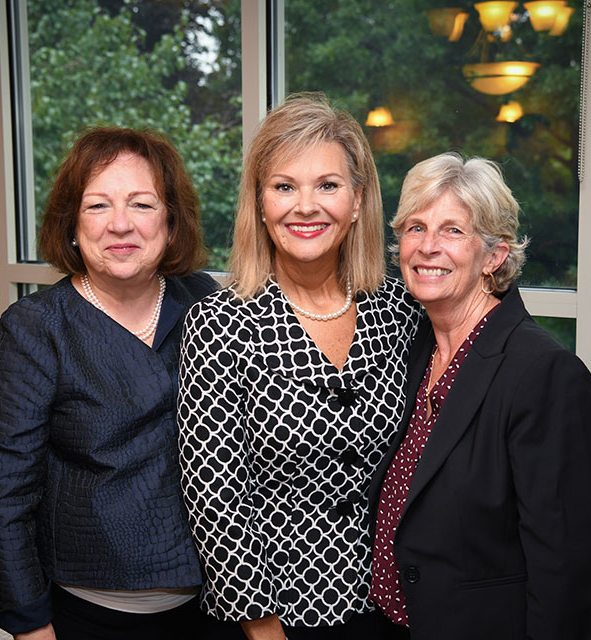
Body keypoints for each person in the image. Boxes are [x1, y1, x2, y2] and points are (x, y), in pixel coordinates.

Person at [177, 92, 420, 640]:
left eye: (327, 186)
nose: (305, 206)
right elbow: (215, 500)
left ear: (358, 201)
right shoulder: (219, 323)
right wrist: (265, 632)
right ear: (260, 204)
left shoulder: (400, 310)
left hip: (391, 605)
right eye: (284, 186)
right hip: (273, 620)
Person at [0, 126, 218, 640]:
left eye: (142, 205)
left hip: (218, 606)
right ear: (72, 226)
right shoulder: (34, 329)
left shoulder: (203, 301)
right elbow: (2, 499)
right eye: (98, 206)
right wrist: (30, 626)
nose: (120, 224)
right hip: (89, 615)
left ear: (171, 222)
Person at [368, 152, 591, 639]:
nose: (428, 246)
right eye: (415, 227)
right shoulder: (409, 349)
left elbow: (568, 577)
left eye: (453, 231)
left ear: (495, 255)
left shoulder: (546, 375)